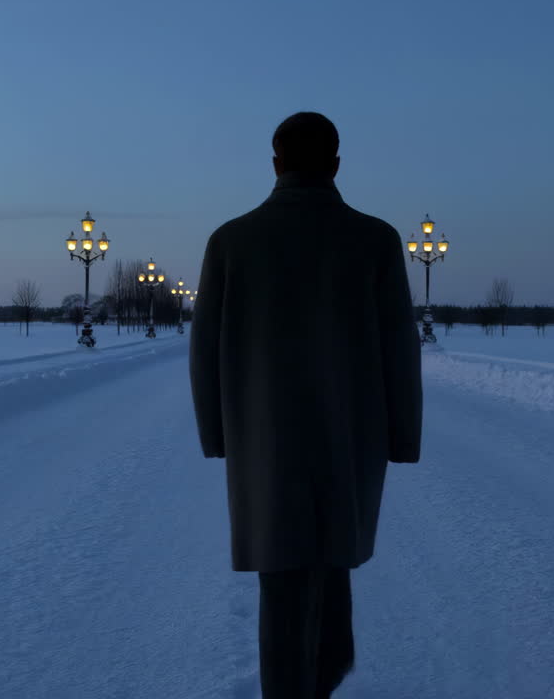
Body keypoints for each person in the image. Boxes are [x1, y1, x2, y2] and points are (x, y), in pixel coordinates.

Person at [189, 112, 423, 698]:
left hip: (265, 444)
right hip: (350, 439)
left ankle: (300, 684)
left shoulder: (231, 241)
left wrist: (218, 433)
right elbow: (400, 347)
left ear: (276, 164)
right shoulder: (375, 240)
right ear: (337, 165)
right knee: (333, 560)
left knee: (284, 577)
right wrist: (402, 437)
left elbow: (204, 351)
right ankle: (322, 678)